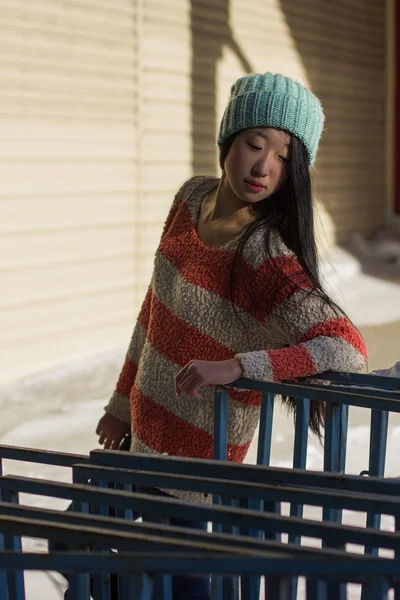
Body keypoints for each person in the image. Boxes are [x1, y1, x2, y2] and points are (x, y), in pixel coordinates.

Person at [92, 72, 366, 600]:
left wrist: (242, 365)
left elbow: (346, 347)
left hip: (196, 476)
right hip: (140, 446)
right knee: (106, 576)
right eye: (254, 144)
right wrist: (121, 404)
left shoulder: (265, 256)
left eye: (285, 157)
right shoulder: (189, 198)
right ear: (228, 142)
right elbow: (155, 310)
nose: (265, 166)